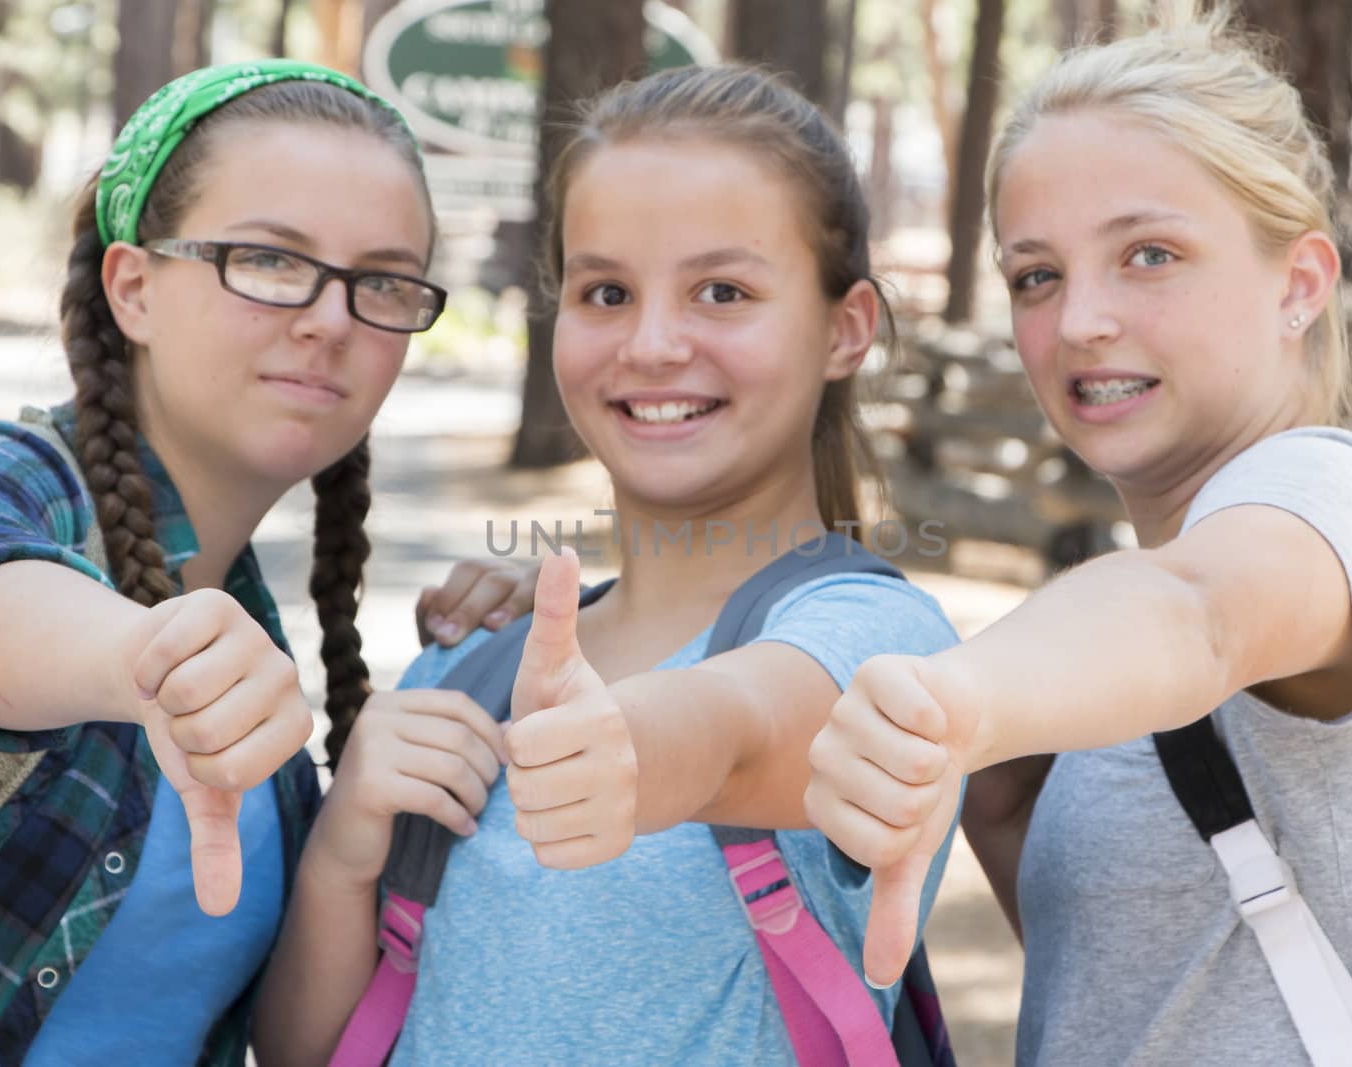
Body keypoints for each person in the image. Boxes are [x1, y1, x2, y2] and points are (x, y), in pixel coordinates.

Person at [804, 7, 1352, 1064]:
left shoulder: (1334, 495)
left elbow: (1200, 614)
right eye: (1036, 274)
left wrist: (959, 701)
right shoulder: (1123, 630)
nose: (1079, 318)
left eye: (1148, 254)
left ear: (1299, 285)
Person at [254, 64, 962, 1066]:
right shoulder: (470, 671)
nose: (653, 342)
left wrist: (626, 738)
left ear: (844, 329)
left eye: (723, 290)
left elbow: (740, 727)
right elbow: (303, 1050)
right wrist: (343, 842)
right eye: (605, 291)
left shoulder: (878, 643)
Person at [0, 60, 531, 1067]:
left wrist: (400, 757)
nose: (330, 317)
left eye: (380, 279)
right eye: (270, 259)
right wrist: (146, 658)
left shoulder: (265, 695)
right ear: (134, 288)